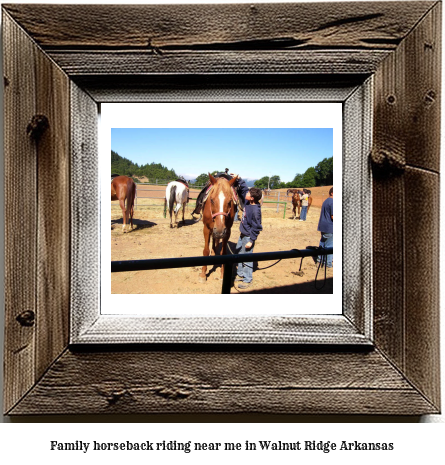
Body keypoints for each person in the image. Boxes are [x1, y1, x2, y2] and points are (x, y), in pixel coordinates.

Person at [232, 176, 263, 289]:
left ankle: (247, 279)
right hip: (243, 234)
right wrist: (239, 178)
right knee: (239, 253)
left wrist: (251, 240)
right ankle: (240, 274)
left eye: (249, 193)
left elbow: (257, 227)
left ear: (252, 198)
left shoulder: (255, 211)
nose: (246, 193)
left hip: (248, 236)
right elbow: (244, 188)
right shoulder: (248, 203)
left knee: (247, 257)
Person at [317, 187, 333, 267]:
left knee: (322, 244)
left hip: (323, 226)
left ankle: (320, 261)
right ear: (332, 193)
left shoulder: (326, 201)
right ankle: (328, 263)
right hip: (330, 227)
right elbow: (333, 216)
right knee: (330, 245)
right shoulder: (333, 202)